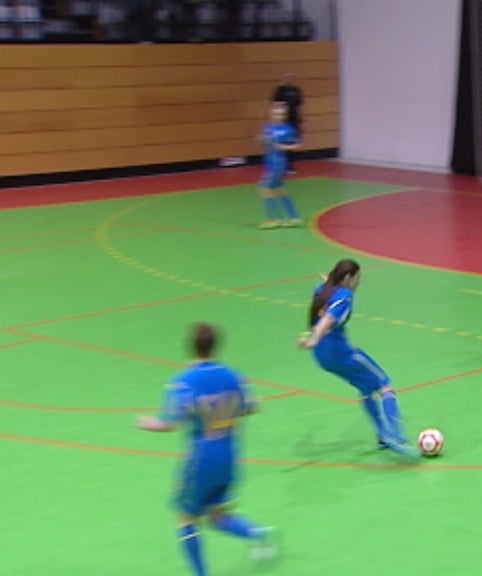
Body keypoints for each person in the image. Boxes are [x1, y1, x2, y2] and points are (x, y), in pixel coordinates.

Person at [136, 323, 276, 576]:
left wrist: (146, 423)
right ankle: (258, 534)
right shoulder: (234, 376)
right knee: (217, 515)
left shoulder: (183, 381)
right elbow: (253, 406)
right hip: (229, 454)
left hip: (201, 457)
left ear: (190, 346)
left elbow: (170, 423)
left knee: (185, 517)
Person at [298, 259, 416, 456]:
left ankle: (381, 435)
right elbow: (327, 319)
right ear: (347, 278)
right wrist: (314, 337)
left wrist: (312, 341)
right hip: (340, 351)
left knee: (364, 388)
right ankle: (396, 435)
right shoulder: (344, 296)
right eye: (357, 279)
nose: (358, 283)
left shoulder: (320, 289)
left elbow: (320, 305)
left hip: (320, 355)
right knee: (384, 384)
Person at [257, 102, 301, 229]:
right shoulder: (267, 127)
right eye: (276, 113)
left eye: (281, 114)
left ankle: (272, 219)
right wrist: (262, 140)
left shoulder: (287, 129)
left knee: (264, 188)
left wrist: (283, 146)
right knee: (278, 189)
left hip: (277, 162)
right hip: (268, 161)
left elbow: (297, 145)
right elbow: (265, 143)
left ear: (285, 115)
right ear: (271, 113)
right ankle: (293, 217)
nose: (278, 115)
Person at [271, 73, 303, 173]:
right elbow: (275, 105)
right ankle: (280, 165)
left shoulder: (296, 90)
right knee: (281, 142)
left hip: (294, 120)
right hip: (283, 121)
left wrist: (301, 120)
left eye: (291, 77)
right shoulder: (280, 90)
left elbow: (299, 106)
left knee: (292, 141)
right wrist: (277, 119)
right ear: (284, 79)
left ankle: (290, 165)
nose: (289, 79)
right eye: (287, 77)